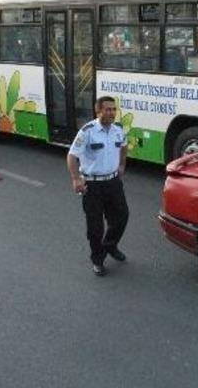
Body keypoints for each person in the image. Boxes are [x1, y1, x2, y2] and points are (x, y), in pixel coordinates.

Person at [66, 97, 129, 276]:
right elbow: (72, 156)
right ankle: (98, 260)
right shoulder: (87, 131)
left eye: (113, 109)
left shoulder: (118, 130)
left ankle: (110, 246)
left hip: (113, 182)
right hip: (92, 185)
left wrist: (122, 165)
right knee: (95, 228)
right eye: (107, 109)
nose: (111, 113)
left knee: (121, 217)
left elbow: (123, 147)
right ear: (98, 111)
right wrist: (76, 179)